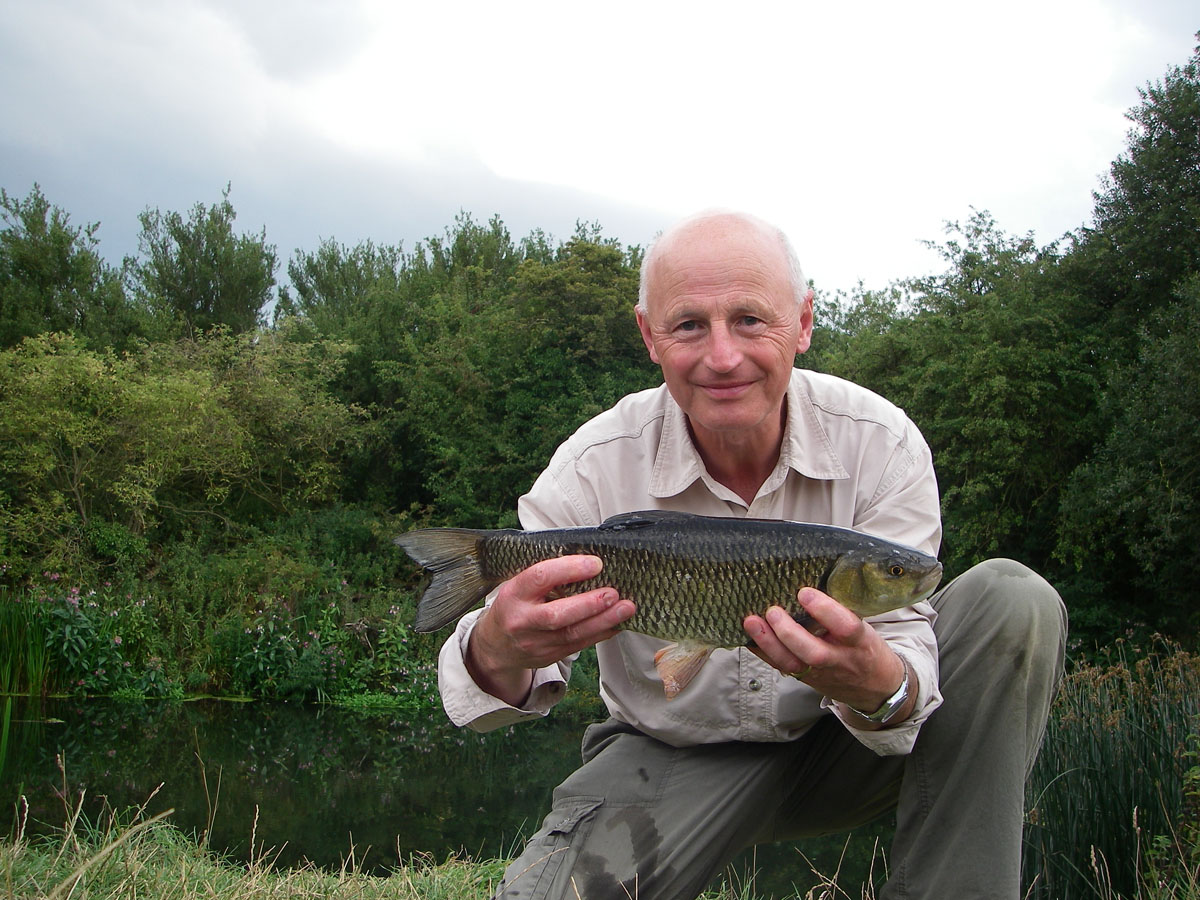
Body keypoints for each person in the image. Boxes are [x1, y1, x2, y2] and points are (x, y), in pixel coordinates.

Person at [437, 210, 1067, 899]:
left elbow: (908, 644)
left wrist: (880, 686)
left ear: (802, 322)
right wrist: (498, 644)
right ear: (649, 336)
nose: (723, 357)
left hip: (852, 743)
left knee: (1015, 599)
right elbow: (492, 683)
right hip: (667, 755)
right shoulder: (593, 462)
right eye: (688, 325)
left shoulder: (881, 442)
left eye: (749, 320)